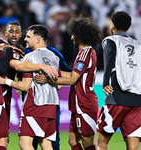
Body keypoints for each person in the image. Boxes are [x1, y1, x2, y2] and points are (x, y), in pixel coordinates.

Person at [0, 22, 58, 150]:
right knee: (0, 140)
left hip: (1, 97)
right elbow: (17, 66)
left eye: (17, 32)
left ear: (21, 34)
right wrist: (41, 66)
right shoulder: (5, 47)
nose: (14, 34)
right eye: (11, 31)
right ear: (5, 34)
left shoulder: (20, 51)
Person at [35, 15, 102, 150]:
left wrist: (48, 79)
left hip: (85, 104)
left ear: (79, 35)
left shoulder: (85, 53)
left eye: (73, 34)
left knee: (87, 142)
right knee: (72, 141)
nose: (71, 37)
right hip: (77, 104)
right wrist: (51, 71)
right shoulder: (84, 53)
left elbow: (72, 80)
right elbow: (73, 74)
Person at [95, 11, 141, 150]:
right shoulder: (138, 45)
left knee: (100, 143)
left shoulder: (110, 40)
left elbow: (109, 62)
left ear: (112, 26)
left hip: (116, 98)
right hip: (137, 101)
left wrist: (105, 83)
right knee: (133, 147)